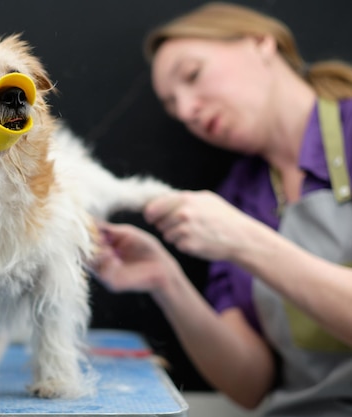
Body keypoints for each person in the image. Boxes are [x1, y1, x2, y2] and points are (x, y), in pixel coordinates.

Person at [93, 3, 352, 416]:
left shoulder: (231, 221)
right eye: (174, 106)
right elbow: (249, 385)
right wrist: (167, 282)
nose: (188, 110)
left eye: (193, 76)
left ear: (261, 43)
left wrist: (244, 241)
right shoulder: (237, 198)